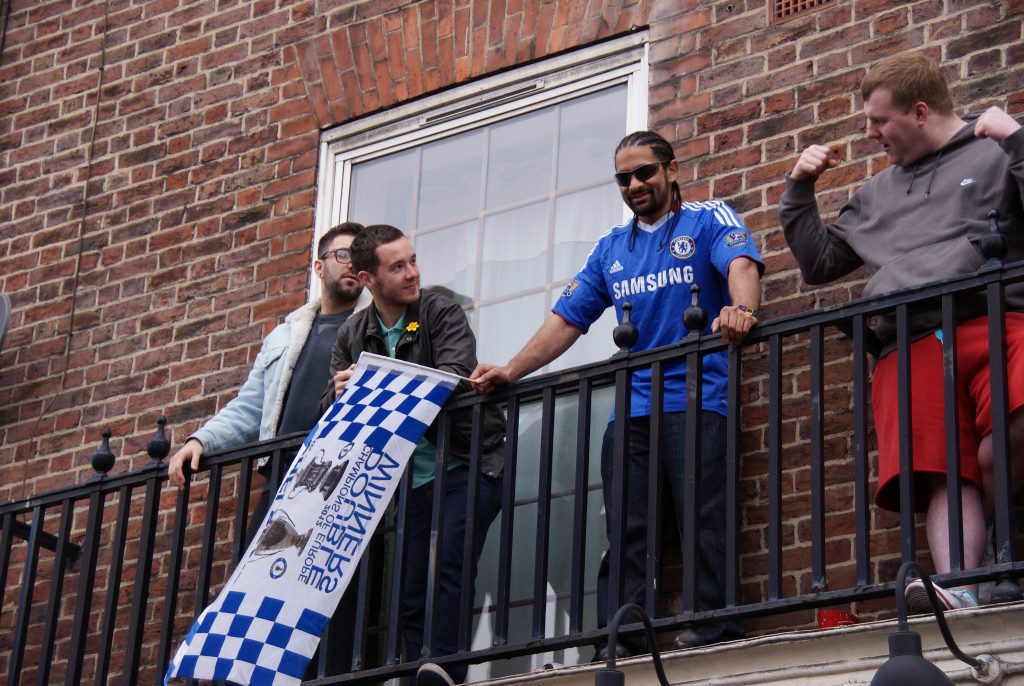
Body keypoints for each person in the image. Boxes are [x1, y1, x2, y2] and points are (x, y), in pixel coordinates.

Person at [472, 130, 764, 654]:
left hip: (700, 400)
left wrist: (740, 310)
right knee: (629, 529)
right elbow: (567, 318)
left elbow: (740, 265)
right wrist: (511, 370)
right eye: (623, 178)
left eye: (644, 172)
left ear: (671, 170)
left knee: (704, 517)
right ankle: (623, 636)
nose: (634, 185)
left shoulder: (709, 218)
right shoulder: (610, 247)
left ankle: (714, 627)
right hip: (630, 412)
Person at [778, 52, 1024, 612]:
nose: (868, 134)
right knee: (942, 469)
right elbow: (819, 262)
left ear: (918, 112)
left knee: (1004, 438)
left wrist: (1016, 141)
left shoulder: (996, 149)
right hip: (909, 341)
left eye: (877, 121)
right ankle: (961, 587)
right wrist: (799, 188)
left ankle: (989, 530)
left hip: (999, 319)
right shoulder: (876, 194)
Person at [167, 221, 371, 676]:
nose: (353, 265)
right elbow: (248, 408)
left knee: (336, 595)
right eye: (342, 255)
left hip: (345, 479)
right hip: (283, 479)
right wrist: (200, 439)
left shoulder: (375, 328)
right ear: (318, 266)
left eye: (360, 258)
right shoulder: (286, 334)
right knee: (258, 588)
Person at [325, 224, 505, 686]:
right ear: (368, 280)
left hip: (468, 460)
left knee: (450, 562)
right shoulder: (351, 333)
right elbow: (333, 418)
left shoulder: (439, 312)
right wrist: (340, 394)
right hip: (405, 479)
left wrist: (370, 386)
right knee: (407, 585)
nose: (412, 273)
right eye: (397, 266)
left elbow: (450, 376)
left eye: (413, 260)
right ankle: (413, 674)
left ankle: (447, 670)